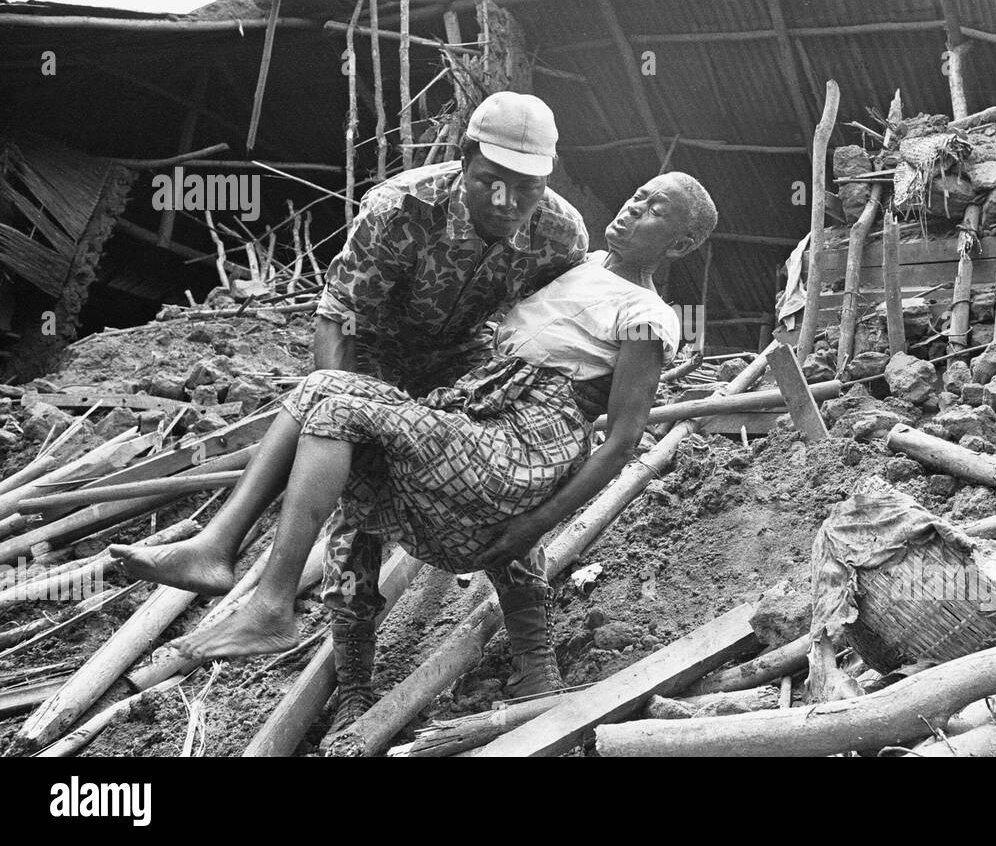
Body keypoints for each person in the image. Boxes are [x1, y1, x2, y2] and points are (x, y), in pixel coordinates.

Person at [110, 170, 718, 734]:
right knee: (352, 467)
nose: (634, 207)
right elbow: (363, 310)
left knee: (331, 396)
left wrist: (535, 523)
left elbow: (621, 442)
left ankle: (262, 592)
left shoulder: (648, 316)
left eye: (654, 209)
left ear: (681, 245)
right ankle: (351, 683)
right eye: (638, 195)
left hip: (528, 440)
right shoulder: (571, 261)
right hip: (477, 409)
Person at [312, 91, 589, 705]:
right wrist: (340, 403)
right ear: (464, 161)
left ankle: (533, 656)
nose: (507, 202)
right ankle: (356, 683)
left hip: (468, 358)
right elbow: (339, 316)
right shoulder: (399, 208)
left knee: (499, 489)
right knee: (358, 508)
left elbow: (551, 333)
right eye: (492, 181)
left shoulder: (562, 235)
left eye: (527, 188)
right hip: (376, 354)